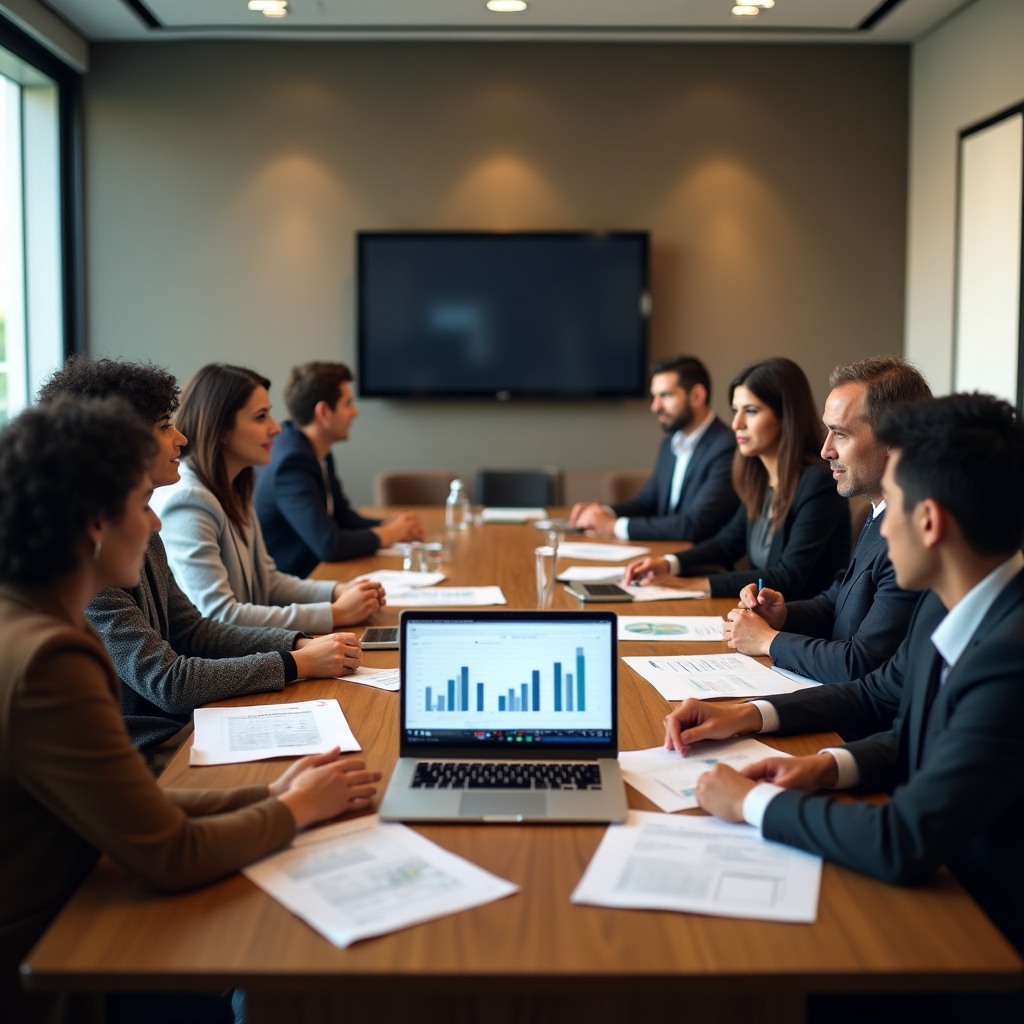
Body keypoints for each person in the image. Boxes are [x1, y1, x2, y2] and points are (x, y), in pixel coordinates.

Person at [0, 398, 381, 1024]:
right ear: (96, 523)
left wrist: (272, 794)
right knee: (255, 957)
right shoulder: (51, 661)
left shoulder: (28, 621)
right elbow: (169, 854)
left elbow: (132, 809)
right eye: (140, 505)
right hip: (54, 956)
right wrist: (292, 811)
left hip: (70, 903)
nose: (154, 526)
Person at [664, 393, 1024, 956]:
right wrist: (815, 763)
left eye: (893, 504)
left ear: (929, 522)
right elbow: (896, 708)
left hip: (979, 936)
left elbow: (903, 839)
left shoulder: (1011, 659)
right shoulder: (948, 602)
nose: (881, 526)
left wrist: (750, 805)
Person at [37, 357, 362, 769]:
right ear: (121, 443)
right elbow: (169, 683)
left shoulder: (141, 528)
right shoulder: (88, 564)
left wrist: (295, 643)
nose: (180, 437)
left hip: (178, 728)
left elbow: (194, 630)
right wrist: (295, 662)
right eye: (163, 427)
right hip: (144, 752)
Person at [722, 356, 931, 682]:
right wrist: (783, 614)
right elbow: (840, 597)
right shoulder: (880, 510)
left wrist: (767, 640)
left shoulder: (916, 532)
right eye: (827, 432)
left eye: (841, 434)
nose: (825, 450)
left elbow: (861, 664)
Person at [153, 363, 385, 633]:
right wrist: (334, 613)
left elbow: (268, 581)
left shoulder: (236, 485)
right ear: (222, 429)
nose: (276, 428)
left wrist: (337, 590)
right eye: (261, 416)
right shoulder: (190, 501)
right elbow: (218, 616)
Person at [624, 358, 850, 601]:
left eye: (751, 411)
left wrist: (697, 586)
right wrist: (668, 565)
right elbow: (726, 544)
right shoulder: (760, 477)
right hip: (759, 617)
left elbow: (789, 577)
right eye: (735, 411)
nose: (736, 424)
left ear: (786, 415)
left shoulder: (819, 482)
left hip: (801, 627)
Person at [255, 361, 424, 578]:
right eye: (348, 404)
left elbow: (342, 518)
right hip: (297, 587)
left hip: (320, 574)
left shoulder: (312, 449)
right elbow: (329, 545)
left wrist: (392, 525)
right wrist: (390, 533)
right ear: (324, 412)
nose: (355, 412)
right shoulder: (292, 462)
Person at [569, 356, 738, 541]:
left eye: (665, 395)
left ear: (697, 396)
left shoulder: (727, 447)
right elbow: (647, 503)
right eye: (654, 396)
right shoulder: (669, 445)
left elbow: (693, 525)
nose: (655, 406)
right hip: (663, 551)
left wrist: (613, 526)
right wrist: (602, 514)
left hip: (698, 561)